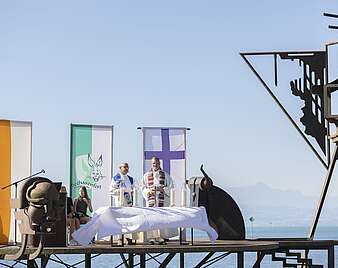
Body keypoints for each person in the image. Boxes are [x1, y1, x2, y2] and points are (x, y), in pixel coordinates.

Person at [140, 157, 176, 244]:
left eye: (156, 163)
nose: (155, 165)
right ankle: (152, 237)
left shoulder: (165, 175)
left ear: (159, 164)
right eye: (153, 163)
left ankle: (160, 237)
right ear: (151, 164)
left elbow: (171, 187)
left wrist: (163, 189)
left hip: (161, 200)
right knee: (151, 218)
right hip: (151, 200)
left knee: (160, 218)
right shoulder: (146, 175)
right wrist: (148, 191)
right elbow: (142, 187)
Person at [109, 162, 136, 245]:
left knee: (129, 221)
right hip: (120, 203)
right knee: (120, 221)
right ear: (120, 168)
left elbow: (135, 189)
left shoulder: (130, 179)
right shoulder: (116, 178)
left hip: (128, 203)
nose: (126, 168)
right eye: (124, 167)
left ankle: (129, 238)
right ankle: (120, 239)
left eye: (127, 167)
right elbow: (111, 191)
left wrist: (131, 194)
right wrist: (121, 191)